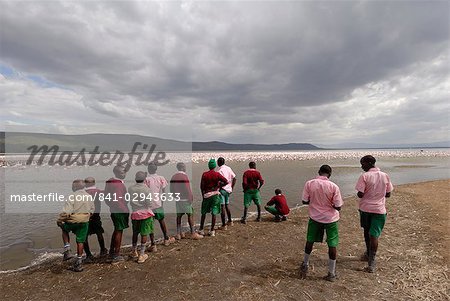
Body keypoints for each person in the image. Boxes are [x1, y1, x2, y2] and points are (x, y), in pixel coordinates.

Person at [299, 165, 343, 282]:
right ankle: (331, 273)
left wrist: (314, 201)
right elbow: (338, 206)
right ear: (330, 174)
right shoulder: (334, 186)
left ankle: (305, 263)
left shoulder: (309, 183)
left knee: (310, 240)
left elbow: (304, 201)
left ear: (319, 172)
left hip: (315, 217)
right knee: (332, 244)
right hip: (330, 219)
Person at [355, 155, 393, 273]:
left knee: (367, 232)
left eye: (363, 164)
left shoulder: (364, 176)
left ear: (370, 163)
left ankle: (369, 256)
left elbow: (360, 194)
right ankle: (371, 260)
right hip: (379, 210)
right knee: (374, 234)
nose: (362, 166)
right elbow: (388, 194)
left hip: (366, 209)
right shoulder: (385, 176)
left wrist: (367, 193)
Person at [57, 179, 94, 272]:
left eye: (72, 186)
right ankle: (79, 261)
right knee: (80, 241)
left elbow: (66, 212)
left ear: (75, 187)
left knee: (64, 228)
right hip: (84, 221)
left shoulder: (72, 196)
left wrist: (59, 220)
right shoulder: (89, 196)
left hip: (73, 221)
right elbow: (92, 210)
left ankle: (67, 250)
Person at [144, 162, 175, 246]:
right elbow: (164, 192)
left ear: (148, 169)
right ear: (156, 169)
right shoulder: (161, 178)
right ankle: (166, 238)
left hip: (149, 204)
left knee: (151, 224)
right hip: (158, 203)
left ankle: (153, 243)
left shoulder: (146, 179)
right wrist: (162, 202)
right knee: (162, 221)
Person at [170, 162, 204, 240]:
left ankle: (178, 233)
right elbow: (187, 188)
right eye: (184, 167)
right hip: (185, 199)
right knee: (190, 215)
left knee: (179, 216)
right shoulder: (184, 177)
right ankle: (193, 233)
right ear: (182, 168)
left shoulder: (173, 176)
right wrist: (190, 198)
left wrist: (174, 196)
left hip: (178, 199)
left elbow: (171, 188)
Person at [104, 165, 129, 264]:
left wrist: (111, 205)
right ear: (117, 173)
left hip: (113, 209)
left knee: (116, 230)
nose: (125, 174)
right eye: (123, 172)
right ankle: (116, 255)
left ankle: (111, 253)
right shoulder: (118, 185)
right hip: (119, 210)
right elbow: (118, 200)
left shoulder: (110, 182)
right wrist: (124, 210)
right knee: (119, 231)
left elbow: (106, 197)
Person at [128, 171, 155, 263]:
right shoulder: (147, 189)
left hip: (135, 213)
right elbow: (149, 203)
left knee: (135, 233)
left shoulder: (130, 188)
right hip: (145, 214)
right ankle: (142, 254)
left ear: (135, 178)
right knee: (144, 233)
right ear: (144, 180)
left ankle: (134, 251)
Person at [199, 159, 228, 237]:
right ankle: (212, 231)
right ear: (215, 166)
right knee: (214, 213)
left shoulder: (204, 174)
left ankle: (201, 229)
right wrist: (219, 186)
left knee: (203, 212)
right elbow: (226, 181)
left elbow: (201, 186)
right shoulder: (217, 174)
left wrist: (203, 195)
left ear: (209, 166)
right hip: (215, 195)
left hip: (207, 195)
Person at [83, 177, 108, 262]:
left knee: (84, 236)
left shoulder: (82, 193)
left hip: (85, 217)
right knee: (99, 233)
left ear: (85, 184)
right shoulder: (98, 192)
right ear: (94, 183)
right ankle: (103, 250)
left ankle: (88, 255)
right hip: (96, 216)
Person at [217, 157, 236, 230]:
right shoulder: (228, 168)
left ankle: (224, 225)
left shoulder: (219, 170)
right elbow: (234, 178)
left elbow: (218, 181)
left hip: (222, 190)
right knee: (227, 205)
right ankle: (230, 221)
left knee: (222, 207)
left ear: (218, 163)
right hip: (228, 190)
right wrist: (232, 187)